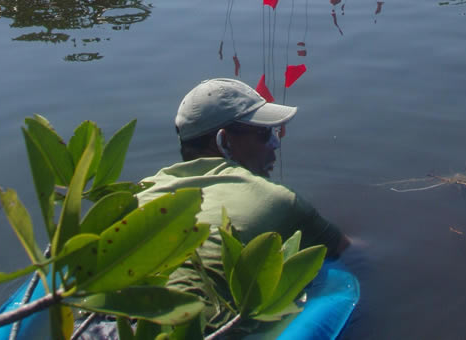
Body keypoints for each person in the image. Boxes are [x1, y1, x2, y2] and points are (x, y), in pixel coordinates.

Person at [136, 78, 350, 333]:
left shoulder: (142, 190)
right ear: (224, 142)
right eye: (264, 134)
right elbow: (347, 251)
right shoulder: (277, 200)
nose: (276, 144)